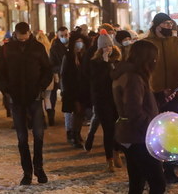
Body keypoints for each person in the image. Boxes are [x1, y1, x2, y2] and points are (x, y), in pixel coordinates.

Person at [0, 22, 52, 185]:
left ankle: (39, 169)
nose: (23, 38)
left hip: (34, 96)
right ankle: (27, 172)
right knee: (22, 139)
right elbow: (0, 71)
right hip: (16, 98)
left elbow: (47, 69)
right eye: (20, 35)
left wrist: (41, 87)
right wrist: (6, 89)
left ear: (29, 33)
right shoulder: (7, 48)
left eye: (25, 35)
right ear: (16, 34)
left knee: (38, 136)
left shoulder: (37, 47)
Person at [143, 13, 178, 183]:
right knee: (156, 133)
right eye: (165, 23)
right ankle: (156, 171)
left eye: (170, 23)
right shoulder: (147, 45)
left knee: (174, 133)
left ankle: (171, 169)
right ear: (156, 25)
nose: (169, 26)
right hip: (154, 95)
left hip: (175, 93)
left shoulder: (177, 43)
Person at [112, 41, 166, 194]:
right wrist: (152, 129)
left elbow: (138, 104)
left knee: (137, 182)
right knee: (157, 183)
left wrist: (160, 98)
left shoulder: (129, 74)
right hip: (138, 137)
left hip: (131, 134)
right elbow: (133, 110)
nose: (156, 62)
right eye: (155, 58)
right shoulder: (133, 78)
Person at [89, 29, 123, 172]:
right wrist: (104, 62)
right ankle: (109, 158)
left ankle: (116, 151)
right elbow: (97, 82)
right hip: (103, 101)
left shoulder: (117, 60)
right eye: (104, 47)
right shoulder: (95, 63)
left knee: (117, 128)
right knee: (108, 130)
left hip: (116, 100)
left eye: (108, 46)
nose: (107, 49)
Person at [60, 31, 89, 148]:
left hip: (82, 90)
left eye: (81, 42)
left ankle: (77, 133)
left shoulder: (84, 56)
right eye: (77, 42)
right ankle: (72, 134)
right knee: (73, 113)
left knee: (81, 113)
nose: (79, 45)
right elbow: (64, 74)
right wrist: (64, 90)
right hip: (71, 90)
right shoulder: (68, 57)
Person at [48, 26, 69, 127]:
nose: (64, 37)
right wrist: (61, 68)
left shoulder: (71, 45)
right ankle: (51, 116)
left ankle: (67, 115)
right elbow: (52, 64)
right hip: (57, 75)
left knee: (66, 96)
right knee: (53, 96)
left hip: (68, 75)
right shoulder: (55, 48)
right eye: (62, 35)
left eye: (66, 35)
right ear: (58, 36)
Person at [35, 31, 55, 122]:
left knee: (40, 99)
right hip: (49, 77)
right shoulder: (49, 48)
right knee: (47, 98)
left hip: (39, 78)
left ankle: (42, 118)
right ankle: (51, 117)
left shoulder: (36, 49)